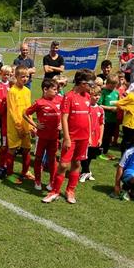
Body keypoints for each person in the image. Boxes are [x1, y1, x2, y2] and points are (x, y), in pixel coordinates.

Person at [43, 69, 95, 204]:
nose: (92, 86)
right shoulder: (69, 96)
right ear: (82, 83)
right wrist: (66, 137)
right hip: (71, 137)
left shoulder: (88, 97)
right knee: (64, 165)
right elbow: (64, 118)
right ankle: (54, 191)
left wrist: (89, 135)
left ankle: (70, 190)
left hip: (83, 138)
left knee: (77, 163)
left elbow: (88, 116)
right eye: (91, 83)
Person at [23, 79, 62, 191]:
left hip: (54, 137)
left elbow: (65, 114)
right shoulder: (39, 103)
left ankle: (51, 182)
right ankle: (37, 181)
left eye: (57, 89)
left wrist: (61, 125)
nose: (56, 91)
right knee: (39, 158)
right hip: (42, 137)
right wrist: (35, 125)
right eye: (54, 89)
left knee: (52, 159)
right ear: (45, 89)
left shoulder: (59, 100)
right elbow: (25, 114)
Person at [5, 66, 33, 184]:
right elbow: (12, 111)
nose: (25, 79)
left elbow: (29, 110)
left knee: (27, 149)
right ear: (16, 77)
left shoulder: (27, 91)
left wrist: (31, 126)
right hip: (15, 126)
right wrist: (18, 126)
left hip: (26, 125)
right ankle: (9, 174)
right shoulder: (12, 91)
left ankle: (25, 172)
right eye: (22, 76)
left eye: (27, 76)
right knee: (12, 149)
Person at [79, 83, 104, 182]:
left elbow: (102, 124)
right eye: (94, 95)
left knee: (90, 155)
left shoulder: (101, 109)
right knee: (83, 154)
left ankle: (85, 172)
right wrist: (87, 136)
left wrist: (100, 138)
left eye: (98, 95)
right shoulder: (86, 107)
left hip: (96, 136)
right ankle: (86, 171)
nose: (97, 97)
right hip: (85, 135)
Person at [98, 75, 120, 160]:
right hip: (104, 118)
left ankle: (105, 151)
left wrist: (118, 108)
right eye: (110, 84)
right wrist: (110, 108)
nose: (112, 87)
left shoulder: (116, 93)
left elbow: (119, 103)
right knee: (103, 135)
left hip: (113, 118)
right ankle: (99, 151)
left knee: (109, 136)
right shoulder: (103, 92)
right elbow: (99, 105)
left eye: (114, 85)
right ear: (107, 84)